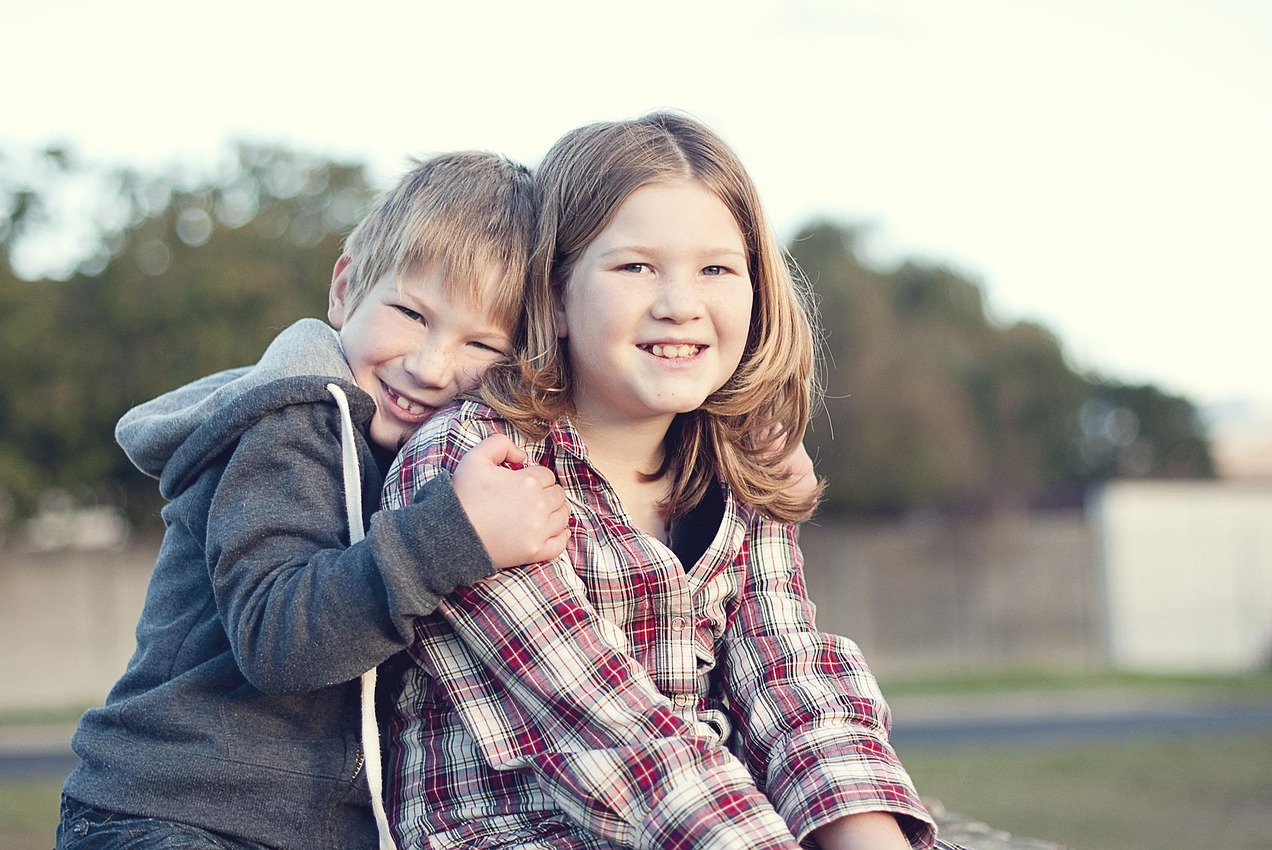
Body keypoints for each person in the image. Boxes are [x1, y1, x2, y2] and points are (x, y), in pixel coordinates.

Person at [378, 113, 954, 849]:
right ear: (553, 296)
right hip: (521, 830)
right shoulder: (477, 467)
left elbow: (789, 679)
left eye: (716, 269)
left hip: (711, 822)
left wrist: (867, 837)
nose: (680, 303)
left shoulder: (742, 463)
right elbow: (607, 727)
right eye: (635, 267)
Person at [56, 152, 571, 850]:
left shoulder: (416, 458)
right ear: (345, 286)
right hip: (173, 811)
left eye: (482, 343)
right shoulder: (292, 422)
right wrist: (451, 538)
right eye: (412, 314)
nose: (431, 365)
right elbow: (278, 640)